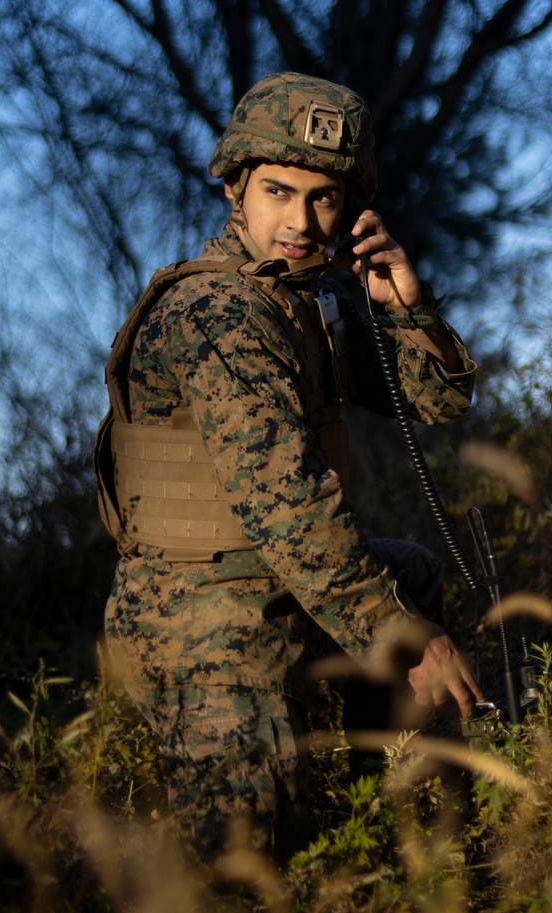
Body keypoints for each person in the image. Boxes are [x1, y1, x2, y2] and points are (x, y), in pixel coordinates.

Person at [94, 72, 481, 858]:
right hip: (202, 615)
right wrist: (397, 630)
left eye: (324, 200)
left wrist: (406, 307)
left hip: (281, 582)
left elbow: (435, 404)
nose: (300, 222)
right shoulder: (218, 313)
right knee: (247, 874)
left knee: (408, 570)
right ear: (236, 188)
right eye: (278, 191)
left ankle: (388, 826)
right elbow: (288, 505)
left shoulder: (314, 301)